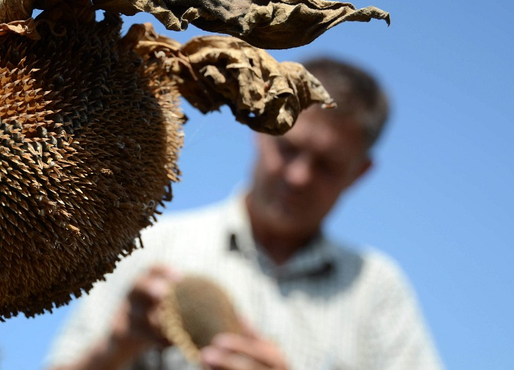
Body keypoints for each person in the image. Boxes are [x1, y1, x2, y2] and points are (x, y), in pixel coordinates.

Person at [44, 57, 443, 370]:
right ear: (262, 123)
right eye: (289, 149)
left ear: (359, 173)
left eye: (326, 165)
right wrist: (116, 346)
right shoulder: (154, 246)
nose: (299, 176)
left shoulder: (375, 290)